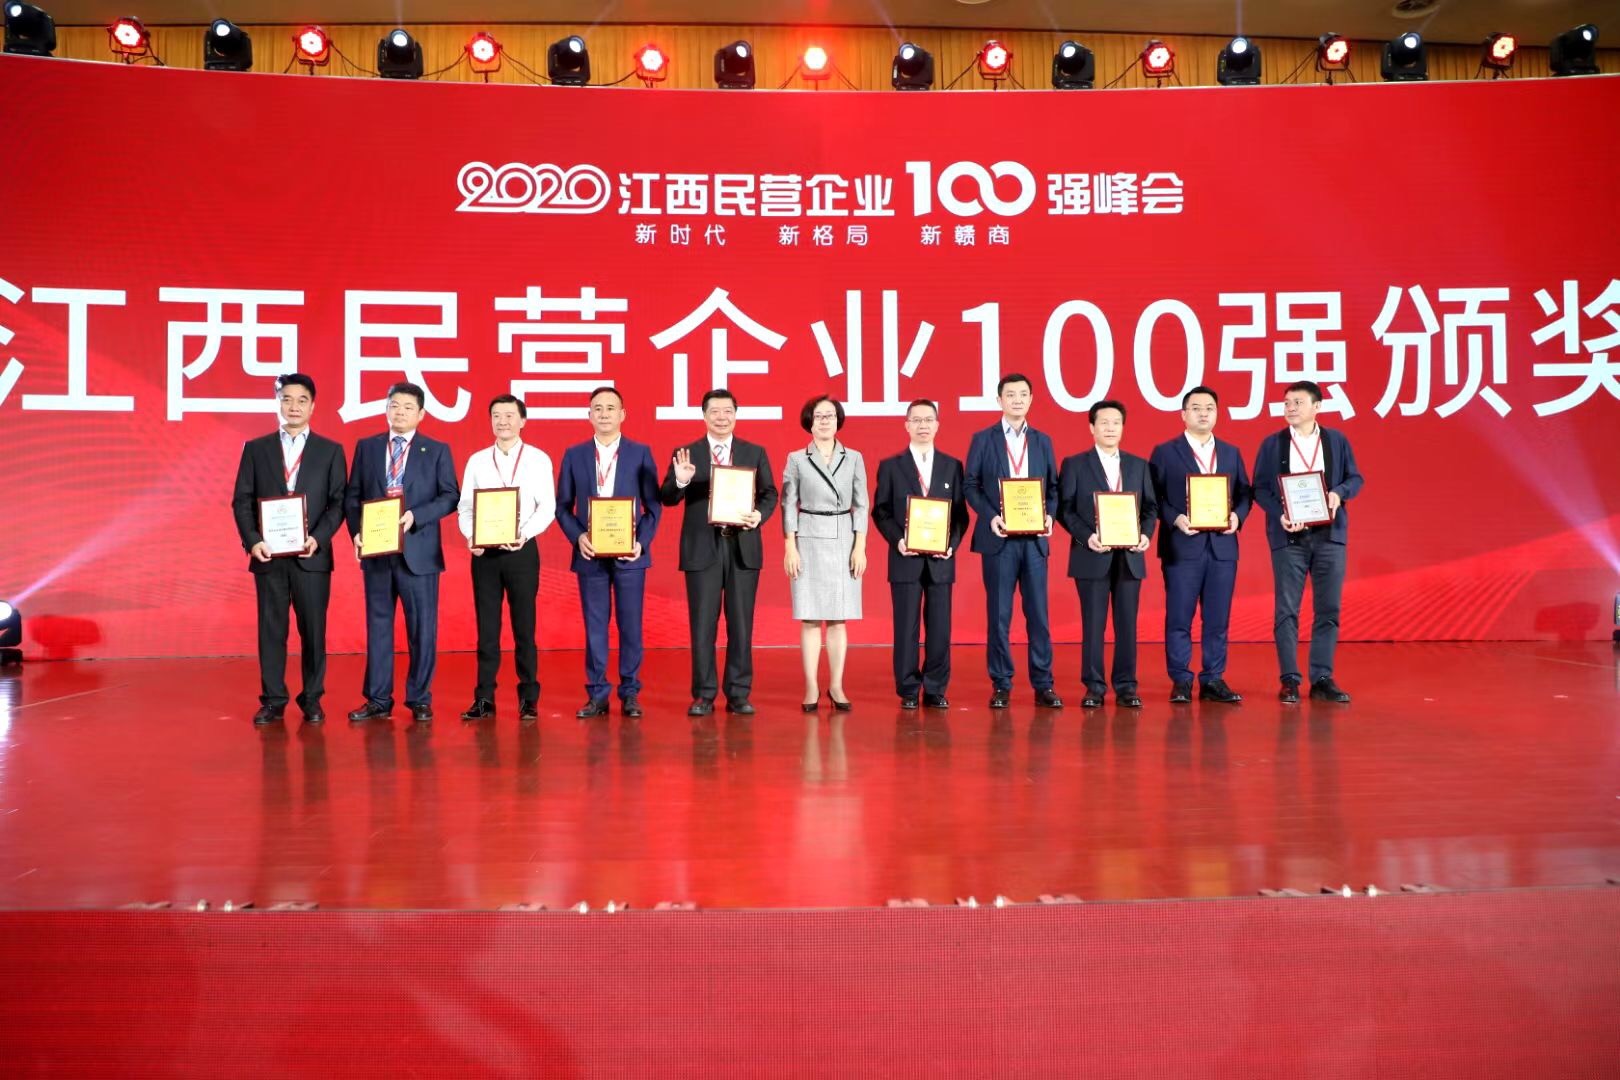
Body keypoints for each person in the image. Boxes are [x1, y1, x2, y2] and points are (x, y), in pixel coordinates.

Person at [230, 373, 348, 726]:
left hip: (312, 556)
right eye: (286, 399)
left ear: (312, 406)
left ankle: (312, 698)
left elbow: (338, 503)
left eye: (301, 400)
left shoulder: (330, 451)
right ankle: (273, 699)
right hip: (269, 556)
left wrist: (319, 538)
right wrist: (253, 540)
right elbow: (242, 500)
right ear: (278, 403)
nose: (293, 406)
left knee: (313, 632)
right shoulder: (256, 448)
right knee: (271, 631)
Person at [344, 382, 460, 724]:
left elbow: (450, 496)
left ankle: (419, 698)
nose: (400, 412)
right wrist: (356, 532)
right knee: (378, 628)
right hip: (378, 551)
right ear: (386, 408)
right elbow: (353, 496)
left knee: (422, 630)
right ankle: (378, 699)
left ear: (421, 414)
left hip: (418, 552)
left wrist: (416, 516)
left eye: (408, 407)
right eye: (394, 405)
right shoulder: (367, 447)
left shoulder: (436, 450)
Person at [659, 389, 779, 717]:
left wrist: (759, 515)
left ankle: (738, 693)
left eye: (728, 411)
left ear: (735, 415)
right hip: (702, 548)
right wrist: (680, 481)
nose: (721, 417)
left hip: (742, 546)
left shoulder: (754, 452)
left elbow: (770, 493)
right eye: (715, 411)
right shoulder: (687, 453)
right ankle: (703, 694)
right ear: (704, 416)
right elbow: (667, 497)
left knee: (741, 624)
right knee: (703, 625)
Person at [1251, 381, 1364, 704]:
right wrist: (1280, 514)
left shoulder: (1336, 440)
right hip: (1289, 536)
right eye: (1286, 402)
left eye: (1297, 402)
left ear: (1317, 407)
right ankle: (1289, 679)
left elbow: (1355, 478)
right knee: (1287, 609)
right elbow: (1259, 489)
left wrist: (1338, 493)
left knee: (1328, 608)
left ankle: (1322, 678)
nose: (1290, 408)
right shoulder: (1273, 444)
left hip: (1329, 536)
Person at [555, 386, 662, 720]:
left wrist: (641, 543)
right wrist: (578, 537)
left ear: (622, 414)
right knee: (595, 627)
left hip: (630, 555)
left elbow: (654, 506)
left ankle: (630, 693)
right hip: (590, 555)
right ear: (589, 415)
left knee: (631, 626)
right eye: (597, 408)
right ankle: (598, 694)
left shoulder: (640, 453)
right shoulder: (574, 455)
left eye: (610, 408)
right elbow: (562, 506)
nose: (604, 414)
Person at [963, 373, 1062, 710]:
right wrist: (991, 516)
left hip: (1034, 541)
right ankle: (1001, 683)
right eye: (1010, 394)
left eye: (1023, 394)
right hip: (999, 540)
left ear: (1031, 399)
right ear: (999, 400)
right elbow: (971, 485)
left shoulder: (1043, 441)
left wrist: (1050, 516)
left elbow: (1053, 488)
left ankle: (1044, 684)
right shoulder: (983, 439)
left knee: (1039, 616)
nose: (1017, 400)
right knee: (999, 616)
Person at [1148, 385, 1252, 704]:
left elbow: (1245, 493)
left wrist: (1237, 516)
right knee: (1179, 617)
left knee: (1217, 619)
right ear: (1183, 414)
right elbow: (1153, 497)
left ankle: (1213, 679)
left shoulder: (1231, 452)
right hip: (1182, 546)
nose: (1203, 413)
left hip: (1222, 547)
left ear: (1217, 413)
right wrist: (1175, 518)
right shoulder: (1165, 452)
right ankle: (1181, 679)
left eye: (1209, 408)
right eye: (1196, 408)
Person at [455, 394, 556, 722]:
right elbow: (465, 507)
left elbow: (548, 508)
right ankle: (484, 698)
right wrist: (471, 536)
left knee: (524, 627)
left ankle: (529, 698)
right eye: (496, 415)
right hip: (485, 554)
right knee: (487, 629)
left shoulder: (538, 459)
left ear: (522, 420)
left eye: (510, 415)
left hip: (522, 551)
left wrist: (523, 534)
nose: (503, 421)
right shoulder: (477, 460)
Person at [1056, 399, 1157, 709]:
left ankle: (1126, 686)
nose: (1110, 428)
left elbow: (1150, 508)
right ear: (1092, 427)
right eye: (1104, 423)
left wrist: (1145, 534)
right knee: (1093, 624)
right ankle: (1094, 687)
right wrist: (1087, 537)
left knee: (1127, 625)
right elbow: (1065, 509)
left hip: (1130, 556)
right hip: (1092, 555)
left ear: (1123, 427)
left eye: (1116, 423)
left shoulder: (1139, 465)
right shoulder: (1075, 464)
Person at [871, 399, 969, 710]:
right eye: (916, 420)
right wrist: (898, 540)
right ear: (907, 425)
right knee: (906, 628)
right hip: (905, 558)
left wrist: (951, 543)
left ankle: (936, 687)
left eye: (928, 420)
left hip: (941, 561)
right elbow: (880, 511)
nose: (923, 425)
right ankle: (909, 689)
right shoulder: (891, 466)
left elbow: (961, 515)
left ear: (937, 425)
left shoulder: (952, 466)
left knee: (940, 627)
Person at [781, 396, 869, 712]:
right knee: (809, 617)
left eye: (830, 415)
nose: (824, 421)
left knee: (838, 618)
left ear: (838, 420)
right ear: (809, 421)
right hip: (808, 536)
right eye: (818, 416)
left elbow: (862, 504)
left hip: (844, 536)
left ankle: (836, 684)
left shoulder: (854, 457)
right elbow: (788, 504)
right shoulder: (796, 458)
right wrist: (790, 546)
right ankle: (810, 685)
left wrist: (860, 546)